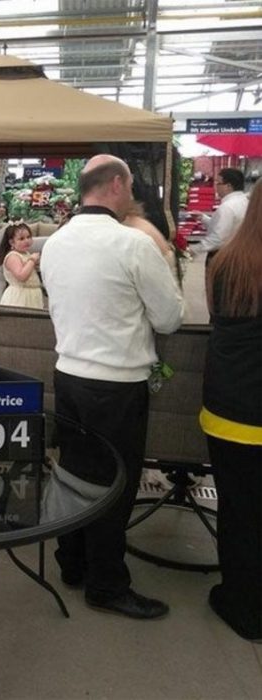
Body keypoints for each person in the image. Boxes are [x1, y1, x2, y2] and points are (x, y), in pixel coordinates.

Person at [40, 154, 184, 620]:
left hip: (69, 377)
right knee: (115, 486)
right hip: (117, 384)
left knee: (75, 474)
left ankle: (72, 562)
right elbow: (170, 317)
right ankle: (106, 584)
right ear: (118, 185)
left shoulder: (56, 244)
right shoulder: (132, 245)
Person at [199, 178, 262, 642]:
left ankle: (240, 603)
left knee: (237, 511)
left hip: (227, 410)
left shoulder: (222, 263)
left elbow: (215, 323)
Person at [190, 168, 248, 264]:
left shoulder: (227, 207)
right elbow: (224, 226)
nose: (216, 186)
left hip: (224, 257)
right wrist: (203, 218)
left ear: (228, 186)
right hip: (241, 255)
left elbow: (218, 238)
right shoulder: (245, 202)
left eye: (218, 183)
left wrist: (194, 249)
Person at [0, 222, 43, 309]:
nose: (26, 241)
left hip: (32, 295)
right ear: (12, 242)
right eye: (21, 239)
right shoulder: (13, 256)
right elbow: (21, 276)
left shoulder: (26, 253)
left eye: (28, 237)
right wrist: (32, 261)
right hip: (20, 296)